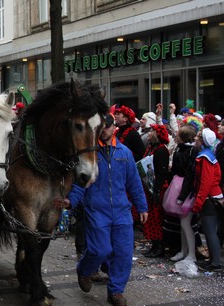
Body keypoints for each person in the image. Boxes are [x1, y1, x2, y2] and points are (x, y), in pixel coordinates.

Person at [54, 113, 148, 306]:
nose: (105, 130)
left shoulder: (125, 153)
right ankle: (84, 269)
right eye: (102, 127)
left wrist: (142, 207)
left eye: (108, 126)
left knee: (123, 253)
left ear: (115, 128)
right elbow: (81, 182)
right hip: (96, 210)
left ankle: (115, 292)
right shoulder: (90, 154)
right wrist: (71, 201)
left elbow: (135, 183)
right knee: (100, 250)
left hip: (122, 211)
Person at [192, 128, 223, 272]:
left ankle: (215, 263)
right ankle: (213, 260)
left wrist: (198, 204)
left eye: (198, 137)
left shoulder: (205, 158)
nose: (195, 139)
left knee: (210, 231)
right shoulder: (207, 155)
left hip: (209, 199)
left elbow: (206, 183)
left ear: (203, 141)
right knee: (210, 231)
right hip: (212, 198)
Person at [168, 125, 199, 262]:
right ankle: (184, 251)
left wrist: (182, 195)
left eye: (178, 135)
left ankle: (191, 253)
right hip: (178, 184)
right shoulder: (180, 149)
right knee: (182, 222)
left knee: (186, 222)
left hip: (185, 187)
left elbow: (189, 174)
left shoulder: (191, 151)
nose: (175, 136)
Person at [141, 124, 170, 258]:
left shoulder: (161, 150)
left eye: (153, 131)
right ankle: (154, 245)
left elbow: (162, 172)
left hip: (156, 188)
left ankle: (159, 247)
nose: (150, 133)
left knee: (156, 218)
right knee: (151, 218)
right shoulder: (151, 148)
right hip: (149, 187)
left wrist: (156, 190)